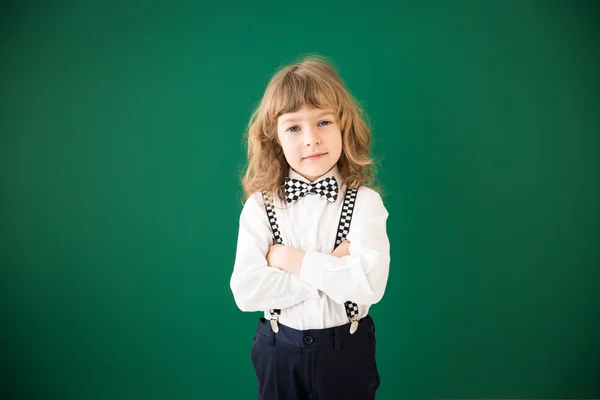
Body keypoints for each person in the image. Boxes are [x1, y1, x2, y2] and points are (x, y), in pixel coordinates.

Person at [230, 55, 390, 400]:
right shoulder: (260, 206)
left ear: (343, 125)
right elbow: (246, 291)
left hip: (346, 351)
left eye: (323, 122)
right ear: (274, 137)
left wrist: (288, 259)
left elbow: (369, 286)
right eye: (293, 127)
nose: (311, 139)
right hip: (277, 350)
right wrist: (331, 269)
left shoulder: (366, 203)